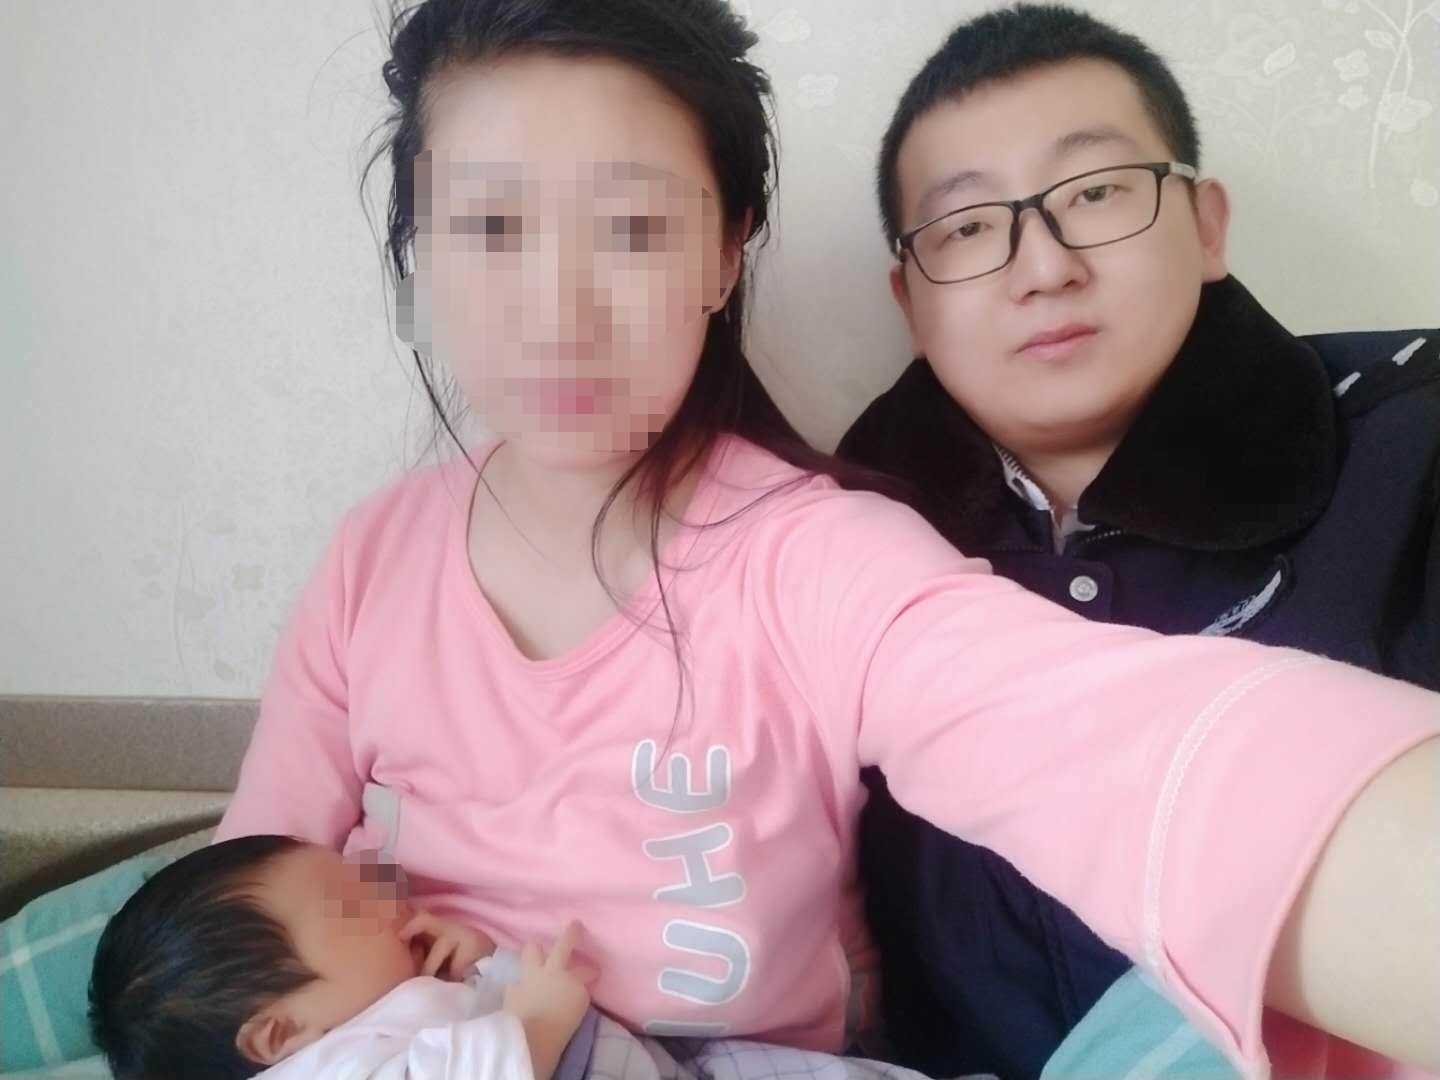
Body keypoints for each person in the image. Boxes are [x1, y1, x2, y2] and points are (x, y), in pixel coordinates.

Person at [215, 3, 1440, 1080]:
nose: (558, 310)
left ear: (726, 248)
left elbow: (1116, 744)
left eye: (632, 226)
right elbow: (225, 929)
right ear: (418, 254)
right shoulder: (371, 562)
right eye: (490, 227)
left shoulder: (816, 557)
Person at [837, 5, 1440, 1077]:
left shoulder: (1415, 443)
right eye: (967, 228)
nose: (1043, 266)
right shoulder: (831, 552)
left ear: (1206, 226)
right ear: (908, 301)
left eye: (1095, 193)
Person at [87, 835, 592, 1080]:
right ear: (280, 1034)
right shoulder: (328, 1070)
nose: (385, 886)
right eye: (350, 903)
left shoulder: (367, 1028)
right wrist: (541, 1027)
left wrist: (486, 967)